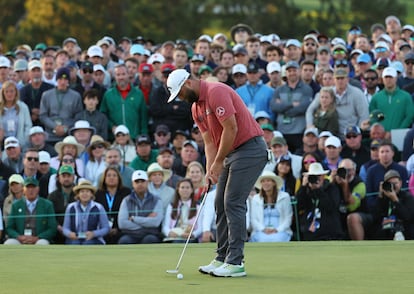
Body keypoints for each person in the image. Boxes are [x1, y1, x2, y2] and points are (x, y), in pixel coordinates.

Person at [167, 69, 268, 277]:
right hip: (230, 152)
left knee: (232, 201)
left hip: (250, 148)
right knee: (219, 202)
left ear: (187, 83)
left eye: (180, 94)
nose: (181, 99)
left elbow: (230, 128)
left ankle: (235, 262)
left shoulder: (216, 91)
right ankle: (222, 257)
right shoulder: (196, 107)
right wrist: (211, 168)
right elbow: (209, 140)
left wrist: (219, 161)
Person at [270, 60, 313, 153]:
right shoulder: (279, 89)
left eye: (294, 70)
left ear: (299, 71)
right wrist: (292, 104)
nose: (292, 73)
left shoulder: (306, 89)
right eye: (289, 71)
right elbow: (274, 106)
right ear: (285, 73)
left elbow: (303, 107)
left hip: (299, 131)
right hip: (282, 131)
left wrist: (283, 108)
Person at [296, 162, 344, 241]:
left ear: (323, 176)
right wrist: (303, 187)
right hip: (310, 233)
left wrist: (318, 190)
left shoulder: (331, 188)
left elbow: (331, 207)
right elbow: (297, 206)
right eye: (313, 176)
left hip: (330, 233)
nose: (316, 179)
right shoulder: (306, 191)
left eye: (318, 176)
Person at [100, 64, 148, 141]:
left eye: (123, 74)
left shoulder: (138, 93)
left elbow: (143, 118)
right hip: (115, 138)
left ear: (128, 74)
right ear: (114, 76)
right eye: (118, 75)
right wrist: (112, 126)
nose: (121, 77)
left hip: (134, 137)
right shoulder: (108, 95)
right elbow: (103, 115)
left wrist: (143, 135)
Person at [5, 177, 57, 245]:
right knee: (9, 243)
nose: (31, 190)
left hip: (39, 239)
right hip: (20, 239)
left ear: (38, 189)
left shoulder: (47, 205)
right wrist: (18, 237)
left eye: (33, 187)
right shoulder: (16, 205)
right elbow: (9, 227)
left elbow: (52, 228)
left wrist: (38, 238)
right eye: (28, 187)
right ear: (23, 189)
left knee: (42, 244)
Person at [117, 170, 163, 244]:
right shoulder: (126, 200)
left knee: (150, 240)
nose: (140, 184)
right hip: (131, 234)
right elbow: (122, 223)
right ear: (132, 184)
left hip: (150, 234)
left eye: (142, 181)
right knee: (124, 241)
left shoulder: (156, 200)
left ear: (147, 183)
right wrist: (146, 222)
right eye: (137, 182)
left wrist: (134, 219)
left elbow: (155, 222)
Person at [39, 67, 83, 144]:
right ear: (56, 80)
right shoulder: (46, 95)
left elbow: (78, 116)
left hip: (68, 134)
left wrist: (66, 127)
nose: (62, 82)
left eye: (65, 80)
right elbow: (43, 116)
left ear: (68, 81)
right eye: (60, 79)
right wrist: (55, 126)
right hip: (50, 134)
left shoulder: (76, 96)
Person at [62, 180, 110, 245]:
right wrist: (70, 234)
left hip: (94, 239)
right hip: (75, 239)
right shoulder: (70, 207)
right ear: (78, 194)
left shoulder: (99, 207)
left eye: (87, 191)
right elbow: (65, 228)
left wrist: (94, 234)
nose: (85, 194)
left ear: (91, 194)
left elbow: (106, 228)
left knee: (88, 244)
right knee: (75, 244)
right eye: (82, 191)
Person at [250, 171, 292, 242]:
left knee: (278, 239)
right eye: (263, 181)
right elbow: (253, 219)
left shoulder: (285, 196)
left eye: (268, 181)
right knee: (261, 239)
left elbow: (288, 218)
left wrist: (277, 229)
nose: (265, 183)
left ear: (274, 183)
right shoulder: (256, 198)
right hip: (261, 231)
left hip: (280, 230)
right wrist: (263, 229)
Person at [331, 158, 368, 239]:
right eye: (343, 170)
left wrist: (345, 186)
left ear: (354, 171)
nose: (346, 173)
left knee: (352, 218)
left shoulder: (359, 184)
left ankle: (358, 247)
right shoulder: (334, 181)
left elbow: (352, 206)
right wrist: (331, 183)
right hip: (339, 214)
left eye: (349, 170)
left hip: (360, 214)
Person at [372, 170, 414, 240]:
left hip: (404, 228)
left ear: (400, 183)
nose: (393, 186)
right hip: (385, 229)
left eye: (395, 183)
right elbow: (375, 217)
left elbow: (408, 217)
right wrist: (380, 196)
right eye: (390, 184)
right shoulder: (382, 198)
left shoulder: (407, 197)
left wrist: (395, 200)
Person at [369, 67, 414, 133]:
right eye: (386, 77)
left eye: (391, 77)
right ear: (382, 79)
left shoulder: (406, 96)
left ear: (396, 78)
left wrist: (398, 131)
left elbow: (410, 116)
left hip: (400, 135)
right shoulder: (376, 98)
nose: (388, 80)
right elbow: (373, 117)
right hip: (381, 136)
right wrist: (380, 131)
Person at [95, 166, 131, 244]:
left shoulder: (126, 193)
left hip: (121, 229)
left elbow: (129, 213)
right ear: (104, 178)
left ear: (119, 178)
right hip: (102, 230)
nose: (111, 178)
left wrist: (117, 228)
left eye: (114, 175)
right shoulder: (98, 194)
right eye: (109, 175)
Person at [162, 178, 202, 242]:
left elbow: (200, 227)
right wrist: (169, 233)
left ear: (192, 190)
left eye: (187, 187)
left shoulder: (198, 206)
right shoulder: (171, 206)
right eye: (182, 187)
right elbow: (165, 226)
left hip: (190, 237)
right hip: (175, 235)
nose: (185, 190)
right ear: (178, 190)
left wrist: (192, 234)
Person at [19, 60, 54, 127]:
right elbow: (21, 106)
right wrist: (31, 111)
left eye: (38, 70)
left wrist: (41, 112)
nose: (36, 73)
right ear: (28, 73)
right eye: (33, 71)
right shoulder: (23, 90)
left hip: (47, 123)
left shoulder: (50, 88)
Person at [47, 165, 76, 243]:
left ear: (73, 178)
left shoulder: (79, 194)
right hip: (57, 232)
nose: (66, 179)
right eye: (63, 176)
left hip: (75, 231)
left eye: (69, 176)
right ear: (59, 178)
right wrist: (59, 227)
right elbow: (50, 216)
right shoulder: (52, 196)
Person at [0, 80, 32, 147]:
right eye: (6, 91)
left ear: (16, 92)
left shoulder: (23, 107)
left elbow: (28, 126)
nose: (9, 94)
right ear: (3, 93)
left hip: (19, 143)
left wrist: (23, 141)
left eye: (12, 91)